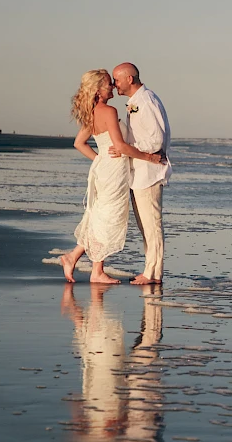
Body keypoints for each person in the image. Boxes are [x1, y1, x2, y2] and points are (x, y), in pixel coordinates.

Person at [61, 69, 164, 284]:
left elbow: (79, 143)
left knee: (101, 214)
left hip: (105, 168)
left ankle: (85, 263)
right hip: (114, 170)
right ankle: (89, 266)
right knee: (108, 216)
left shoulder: (93, 112)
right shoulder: (108, 111)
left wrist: (100, 160)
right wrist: (150, 157)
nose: (113, 87)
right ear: (98, 90)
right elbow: (120, 146)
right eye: (109, 83)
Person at [109, 63, 173, 285]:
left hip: (149, 172)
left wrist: (126, 147)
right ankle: (149, 269)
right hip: (139, 172)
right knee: (145, 225)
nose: (114, 84)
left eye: (117, 79)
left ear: (130, 79)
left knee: (152, 224)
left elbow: (156, 140)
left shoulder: (146, 101)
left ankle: (154, 273)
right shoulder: (137, 101)